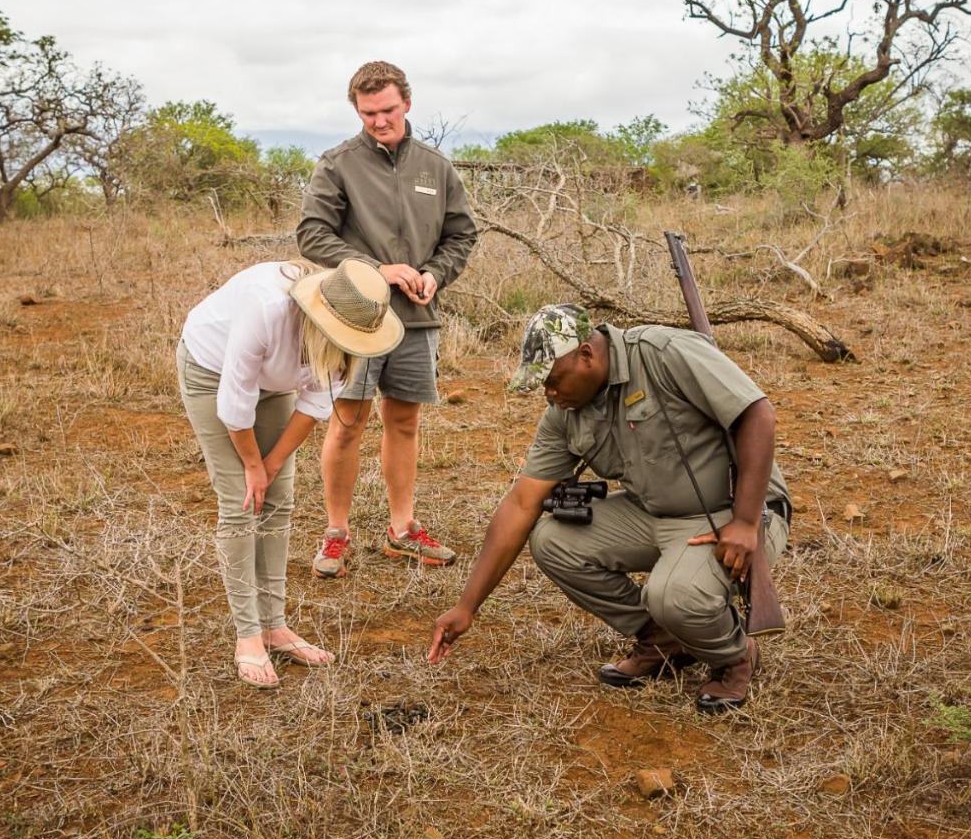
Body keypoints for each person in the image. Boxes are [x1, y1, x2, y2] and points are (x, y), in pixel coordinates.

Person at [428, 304, 792, 714]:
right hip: (650, 511)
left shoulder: (661, 352)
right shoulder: (565, 413)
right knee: (552, 540)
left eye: (553, 380)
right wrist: (466, 607)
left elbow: (758, 414)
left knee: (672, 595)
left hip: (728, 511)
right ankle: (662, 641)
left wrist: (744, 521)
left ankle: (735, 656)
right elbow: (521, 503)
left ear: (586, 354)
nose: (549, 393)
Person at [177, 258, 403, 688]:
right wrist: (251, 465)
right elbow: (234, 401)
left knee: (278, 499)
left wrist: (272, 463)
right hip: (212, 371)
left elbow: (315, 403)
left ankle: (274, 626)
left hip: (272, 384)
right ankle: (248, 636)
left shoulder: (344, 332)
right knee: (241, 502)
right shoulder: (266, 310)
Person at [297, 60, 477, 578]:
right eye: (369, 112)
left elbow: (461, 235)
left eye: (388, 110)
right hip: (354, 318)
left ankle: (402, 531)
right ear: (357, 110)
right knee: (347, 420)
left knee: (403, 421)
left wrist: (435, 274)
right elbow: (312, 234)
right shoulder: (338, 164)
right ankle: (336, 534)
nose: (379, 121)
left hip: (416, 318)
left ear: (408, 104)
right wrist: (379, 270)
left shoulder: (435, 167)